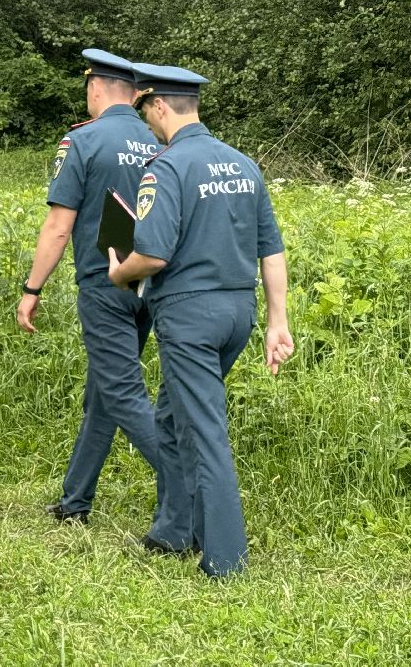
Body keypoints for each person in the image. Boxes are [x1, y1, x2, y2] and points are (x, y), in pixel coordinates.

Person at [107, 62, 295, 578]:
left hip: (189, 315)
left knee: (205, 430)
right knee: (171, 418)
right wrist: (278, 323)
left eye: (147, 111)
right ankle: (173, 530)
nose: (147, 122)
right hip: (238, 313)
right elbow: (271, 251)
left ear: (160, 106)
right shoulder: (242, 165)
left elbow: (153, 256)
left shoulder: (165, 168)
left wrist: (119, 273)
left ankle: (226, 560)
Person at [17, 48, 170, 526]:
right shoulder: (159, 141)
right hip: (149, 283)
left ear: (96, 88)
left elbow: (59, 227)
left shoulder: (82, 141)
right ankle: (74, 502)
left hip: (104, 285)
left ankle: (190, 482)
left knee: (121, 391)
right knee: (103, 392)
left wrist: (32, 289)